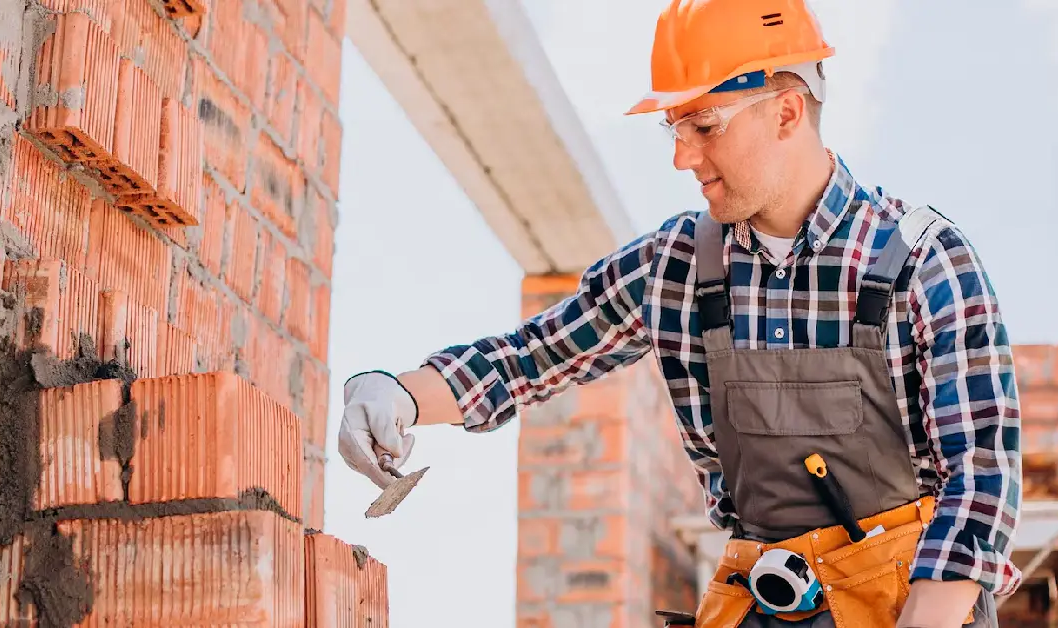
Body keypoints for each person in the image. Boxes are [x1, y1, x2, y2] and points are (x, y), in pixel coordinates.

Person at [337, 0, 1022, 626]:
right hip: (765, 602)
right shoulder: (678, 267)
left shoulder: (922, 260)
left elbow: (983, 476)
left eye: (703, 124)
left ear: (786, 112)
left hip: (913, 606)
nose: (680, 156)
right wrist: (397, 393)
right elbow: (531, 357)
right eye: (674, 126)